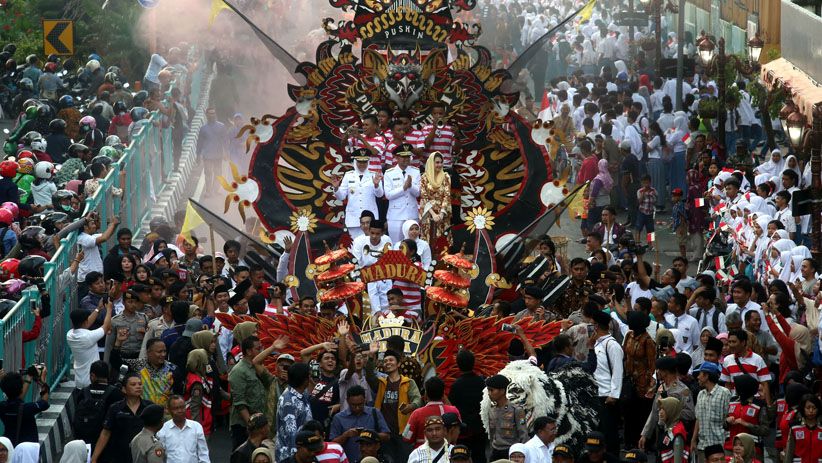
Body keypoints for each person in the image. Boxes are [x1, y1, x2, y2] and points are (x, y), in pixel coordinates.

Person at [229, 336, 277, 450]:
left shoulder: (258, 367)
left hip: (260, 423)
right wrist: (252, 426)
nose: (261, 351)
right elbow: (240, 403)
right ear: (249, 351)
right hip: (244, 425)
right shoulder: (238, 371)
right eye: (258, 349)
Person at [91, 374, 153, 463]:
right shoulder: (115, 408)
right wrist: (94, 458)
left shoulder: (149, 407)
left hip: (143, 456)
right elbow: (105, 433)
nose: (138, 387)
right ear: (124, 389)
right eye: (133, 384)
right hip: (119, 456)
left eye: (140, 384)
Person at [374, 349, 421, 462]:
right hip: (385, 432)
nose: (388, 363)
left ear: (398, 363)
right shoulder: (380, 382)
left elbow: (418, 399)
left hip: (403, 432)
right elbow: (369, 376)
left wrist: (411, 406)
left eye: (391, 360)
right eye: (385, 361)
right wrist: (371, 356)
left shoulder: (408, 382)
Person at [589, 308, 622, 455]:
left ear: (596, 326)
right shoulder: (596, 343)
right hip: (595, 395)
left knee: (609, 433)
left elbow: (618, 371)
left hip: (607, 396)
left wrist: (613, 395)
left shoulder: (612, 345)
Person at [332, 148, 385, 239]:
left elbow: (380, 195)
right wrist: (336, 188)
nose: (362, 164)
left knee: (370, 243)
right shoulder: (348, 175)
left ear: (368, 162)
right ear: (355, 162)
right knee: (354, 246)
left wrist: (376, 185)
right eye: (359, 162)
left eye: (364, 162)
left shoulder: (374, 175)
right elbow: (341, 196)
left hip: (370, 217)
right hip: (353, 217)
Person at [330, 385, 391, 462]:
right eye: (354, 405)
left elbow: (387, 436)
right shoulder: (338, 418)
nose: (357, 408)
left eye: (360, 404)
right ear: (347, 401)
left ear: (365, 400)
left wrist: (369, 434)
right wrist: (345, 435)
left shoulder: (374, 413)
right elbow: (332, 445)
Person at [448, 350, 487, 463]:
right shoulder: (481, 382)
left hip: (463, 431)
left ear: (458, 365)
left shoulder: (456, 385)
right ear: (473, 363)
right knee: (480, 456)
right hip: (480, 428)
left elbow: (452, 407)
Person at [67, 295, 114, 388]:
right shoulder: (88, 336)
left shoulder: (69, 334)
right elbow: (106, 326)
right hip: (91, 381)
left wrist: (98, 308)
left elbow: (86, 323)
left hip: (79, 380)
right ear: (85, 322)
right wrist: (109, 310)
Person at [691, 362, 730, 463]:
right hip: (703, 447)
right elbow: (698, 419)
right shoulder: (700, 394)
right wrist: (693, 440)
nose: (698, 377)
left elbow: (728, 419)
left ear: (706, 375)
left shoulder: (724, 393)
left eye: (700, 374)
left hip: (719, 447)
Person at [404, 376, 460, 448]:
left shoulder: (416, 414)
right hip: (448, 453)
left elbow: (406, 438)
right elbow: (457, 434)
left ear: (426, 395)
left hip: (422, 455)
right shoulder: (453, 411)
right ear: (443, 393)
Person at [0, 367, 49, 446]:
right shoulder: (28, 408)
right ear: (21, 388)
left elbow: (16, 398)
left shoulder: (2, 407)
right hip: (28, 449)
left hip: (10, 446)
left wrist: (3, 381)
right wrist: (42, 380)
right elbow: (44, 403)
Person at [275, 362, 313, 462]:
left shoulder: (301, 394)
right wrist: (296, 459)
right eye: (309, 375)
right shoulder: (289, 402)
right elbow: (291, 434)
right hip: (290, 457)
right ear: (304, 380)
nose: (311, 377)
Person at [485, 374, 528, 460]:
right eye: (488, 390)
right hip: (495, 452)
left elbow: (523, 435)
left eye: (492, 390)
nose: (489, 393)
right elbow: (492, 434)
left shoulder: (516, 410)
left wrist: (522, 455)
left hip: (511, 452)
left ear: (502, 391)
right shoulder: (492, 410)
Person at [384, 144, 421, 242]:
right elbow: (388, 195)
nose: (406, 159)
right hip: (396, 215)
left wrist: (410, 186)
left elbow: (418, 193)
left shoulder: (415, 171)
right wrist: (403, 188)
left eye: (408, 156)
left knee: (412, 244)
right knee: (396, 244)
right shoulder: (389, 173)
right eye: (403, 156)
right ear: (396, 157)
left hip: (412, 214)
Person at [156, 395, 209, 463]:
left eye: (182, 407)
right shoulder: (163, 429)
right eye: (175, 408)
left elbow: (203, 453)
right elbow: (160, 456)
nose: (180, 411)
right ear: (169, 410)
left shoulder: (196, 427)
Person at [419, 152, 451, 245]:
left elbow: (447, 196)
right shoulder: (424, 178)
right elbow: (424, 197)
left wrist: (441, 214)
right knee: (429, 241)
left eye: (441, 162)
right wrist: (433, 214)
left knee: (442, 243)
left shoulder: (446, 177)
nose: (439, 165)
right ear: (431, 163)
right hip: (428, 213)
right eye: (437, 162)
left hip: (442, 214)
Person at [196, 108, 228, 197]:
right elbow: (200, 143)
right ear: (207, 115)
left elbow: (225, 141)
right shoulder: (203, 129)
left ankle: (215, 190)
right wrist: (198, 155)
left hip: (218, 154)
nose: (212, 115)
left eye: (213, 113)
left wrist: (226, 152)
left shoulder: (221, 126)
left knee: (218, 174)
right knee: (208, 173)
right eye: (210, 113)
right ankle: (208, 191)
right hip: (207, 155)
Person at [784, 394, 822, 463]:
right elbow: (789, 452)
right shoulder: (794, 428)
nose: (811, 411)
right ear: (803, 408)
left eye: (814, 408)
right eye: (808, 408)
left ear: (818, 409)